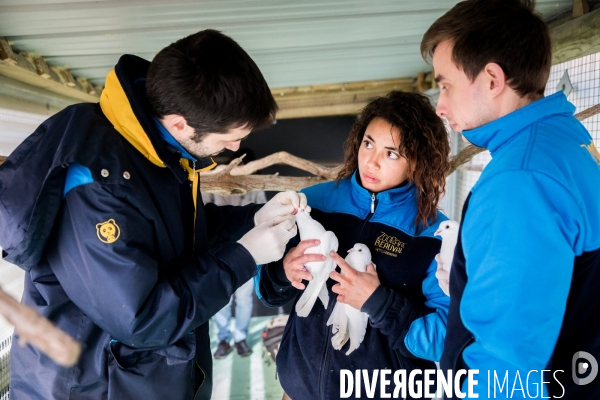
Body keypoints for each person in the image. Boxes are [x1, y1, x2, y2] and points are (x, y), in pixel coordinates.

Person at [0, 30, 308, 400]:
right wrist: (245, 257)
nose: (235, 147)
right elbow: (143, 318)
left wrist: (253, 220)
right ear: (180, 123)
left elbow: (174, 238)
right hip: (89, 386)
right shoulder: (96, 183)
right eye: (230, 136)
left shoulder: (159, 150)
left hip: (138, 378)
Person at [421, 0, 600, 398]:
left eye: (445, 84)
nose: (441, 105)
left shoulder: (522, 177)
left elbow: (506, 364)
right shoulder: (564, 145)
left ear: (491, 79)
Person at [257, 91, 451, 399]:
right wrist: (282, 272)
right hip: (297, 391)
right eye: (368, 144)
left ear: (417, 162)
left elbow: (445, 336)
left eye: (392, 153)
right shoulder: (315, 202)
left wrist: (378, 301)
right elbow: (266, 290)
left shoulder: (433, 234)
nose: (371, 162)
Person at [201, 149, 267, 358]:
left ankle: (240, 338)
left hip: (248, 251)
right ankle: (223, 338)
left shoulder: (255, 184)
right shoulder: (214, 180)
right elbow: (202, 212)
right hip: (216, 252)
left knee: (245, 298)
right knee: (221, 298)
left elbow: (264, 213)